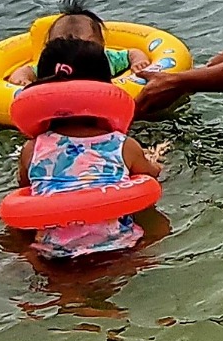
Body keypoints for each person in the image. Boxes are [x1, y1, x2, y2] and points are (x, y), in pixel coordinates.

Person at [13, 37, 169, 261]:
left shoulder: (32, 148)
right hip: (119, 247)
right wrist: (154, 158)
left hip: (53, 253)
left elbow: (26, 189)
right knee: (160, 226)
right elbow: (152, 175)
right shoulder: (122, 144)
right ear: (106, 88)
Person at [5, 0, 155, 87]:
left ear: (101, 44)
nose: (74, 49)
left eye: (85, 44)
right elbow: (25, 71)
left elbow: (132, 53)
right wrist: (21, 79)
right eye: (62, 43)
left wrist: (138, 62)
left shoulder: (110, 59)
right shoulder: (52, 65)